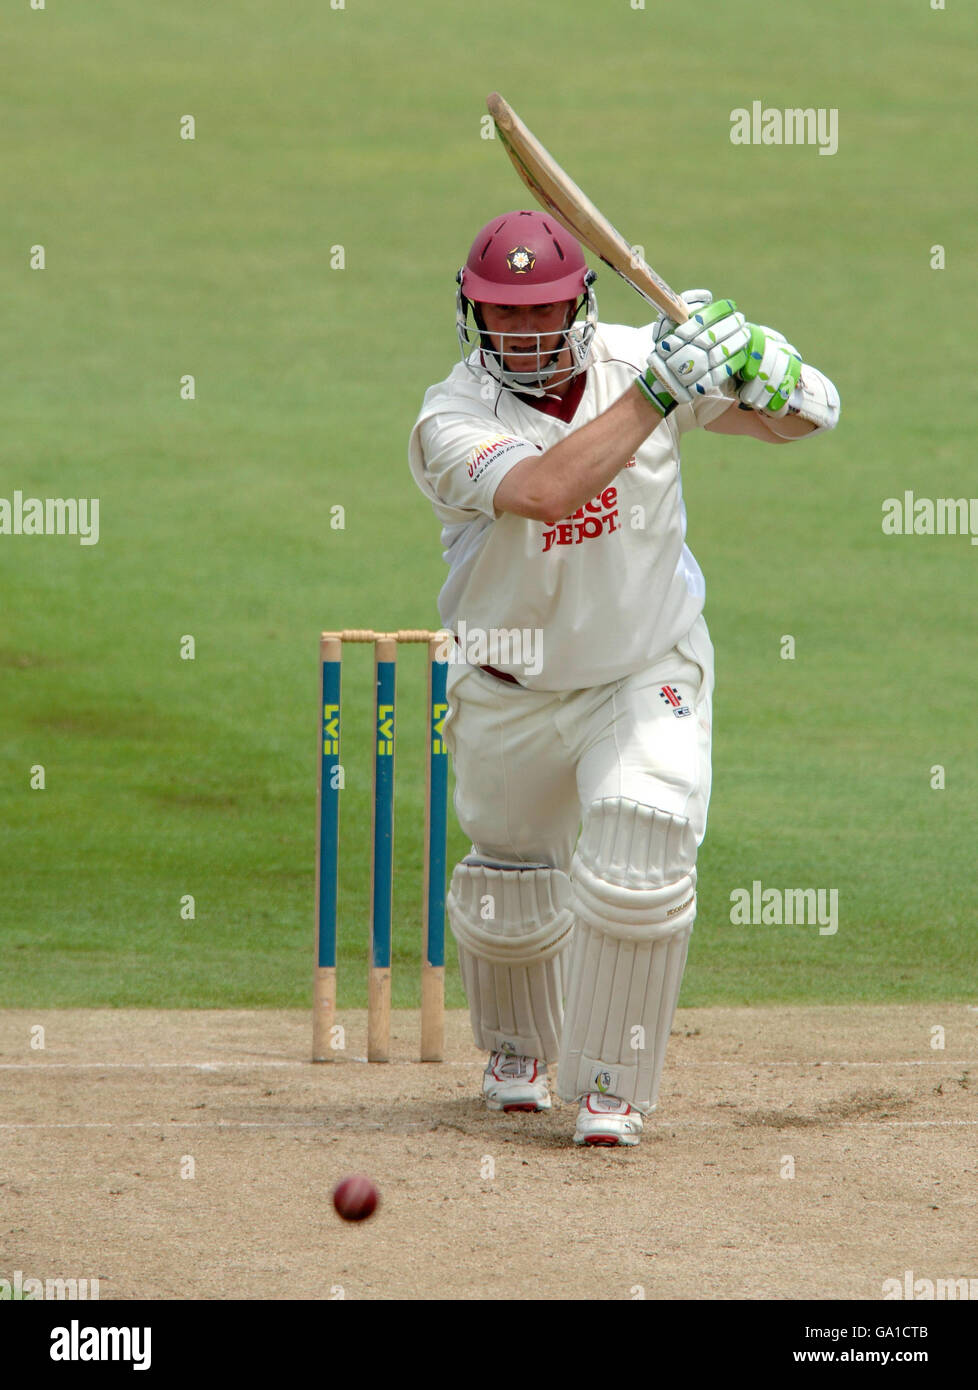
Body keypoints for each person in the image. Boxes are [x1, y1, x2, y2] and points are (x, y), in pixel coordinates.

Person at [408, 209, 839, 1146]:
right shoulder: (451, 417)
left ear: (580, 303)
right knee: (509, 881)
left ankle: (612, 1082)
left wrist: (765, 365)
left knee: (645, 834)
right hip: (510, 683)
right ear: (472, 316)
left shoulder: (643, 354)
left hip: (644, 663)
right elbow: (543, 491)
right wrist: (658, 390)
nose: (523, 334)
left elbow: (805, 419)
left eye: (543, 311)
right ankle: (518, 1049)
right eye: (502, 314)